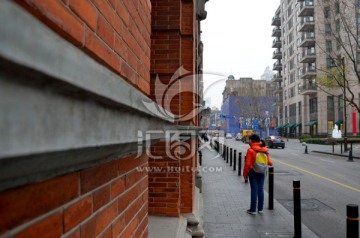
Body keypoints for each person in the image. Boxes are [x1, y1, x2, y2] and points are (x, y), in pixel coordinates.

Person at [243, 134, 272, 215]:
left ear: (253, 140)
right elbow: (269, 162)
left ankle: (253, 209)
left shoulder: (250, 150)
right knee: (260, 189)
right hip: (262, 172)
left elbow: (248, 164)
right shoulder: (264, 150)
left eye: (249, 140)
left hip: (253, 172)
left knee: (254, 190)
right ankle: (260, 209)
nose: (249, 141)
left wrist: (245, 174)